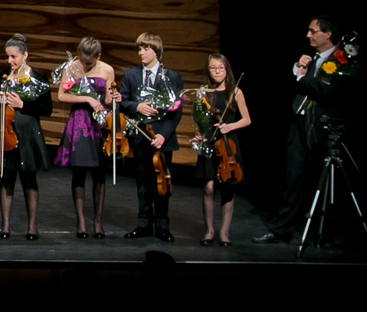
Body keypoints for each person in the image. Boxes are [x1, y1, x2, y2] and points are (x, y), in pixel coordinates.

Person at [255, 16, 355, 244]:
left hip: (321, 126)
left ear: (328, 34)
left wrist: (301, 78)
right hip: (299, 123)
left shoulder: (341, 60)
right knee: (293, 177)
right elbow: (294, 88)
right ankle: (280, 229)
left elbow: (327, 92)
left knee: (322, 180)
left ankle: (323, 232)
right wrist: (299, 69)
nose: (308, 35)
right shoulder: (311, 59)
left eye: (313, 31)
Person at [117, 31, 182, 242]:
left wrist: (163, 135)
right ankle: (144, 224)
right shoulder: (131, 75)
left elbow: (176, 112)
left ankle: (162, 225)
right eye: (139, 49)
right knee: (143, 183)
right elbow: (122, 102)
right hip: (140, 137)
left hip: (163, 140)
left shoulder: (172, 77)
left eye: (145, 48)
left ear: (156, 50)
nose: (141, 53)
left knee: (162, 183)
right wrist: (137, 106)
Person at [52, 37, 117, 239]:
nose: (85, 65)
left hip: (99, 124)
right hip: (80, 122)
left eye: (89, 63)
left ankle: (97, 222)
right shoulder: (71, 68)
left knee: (99, 173)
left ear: (98, 56)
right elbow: (62, 96)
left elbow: (108, 99)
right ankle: (81, 221)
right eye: (83, 61)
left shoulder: (107, 70)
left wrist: (114, 99)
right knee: (79, 171)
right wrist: (87, 99)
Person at [0, 33, 51, 240]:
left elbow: (47, 109)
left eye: (13, 57)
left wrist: (22, 104)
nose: (10, 61)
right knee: (7, 176)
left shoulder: (38, 78)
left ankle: (32, 227)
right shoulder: (2, 76)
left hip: (28, 134)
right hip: (6, 132)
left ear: (25, 55)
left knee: (29, 178)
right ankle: (5, 226)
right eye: (7, 57)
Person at [197, 53, 251, 246]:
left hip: (228, 144)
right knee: (209, 188)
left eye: (221, 68)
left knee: (227, 188)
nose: (217, 71)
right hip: (210, 143)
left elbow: (247, 119)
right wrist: (199, 132)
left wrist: (230, 126)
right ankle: (209, 230)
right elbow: (200, 119)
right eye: (213, 68)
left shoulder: (235, 92)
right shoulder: (204, 92)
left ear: (226, 70)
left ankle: (224, 232)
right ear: (208, 70)